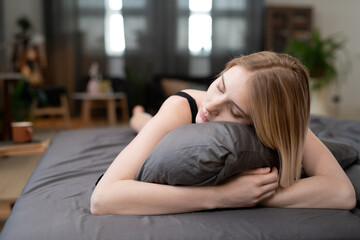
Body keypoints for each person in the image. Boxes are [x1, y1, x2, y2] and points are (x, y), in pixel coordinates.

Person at [91, 51, 355, 215]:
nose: (211, 106)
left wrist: (260, 195)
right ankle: (138, 114)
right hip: (167, 115)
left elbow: (341, 192)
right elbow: (103, 198)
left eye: (236, 112)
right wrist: (224, 196)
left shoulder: (284, 123)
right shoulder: (184, 107)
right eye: (220, 86)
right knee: (142, 122)